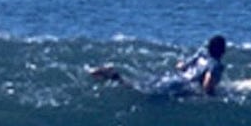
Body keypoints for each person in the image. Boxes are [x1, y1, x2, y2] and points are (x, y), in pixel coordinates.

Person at [89, 34, 228, 96]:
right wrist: (210, 96)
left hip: (174, 77)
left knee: (141, 85)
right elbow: (207, 84)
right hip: (180, 85)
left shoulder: (201, 55)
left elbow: (180, 66)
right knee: (139, 91)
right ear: (222, 51)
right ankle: (114, 75)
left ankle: (111, 75)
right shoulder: (215, 65)